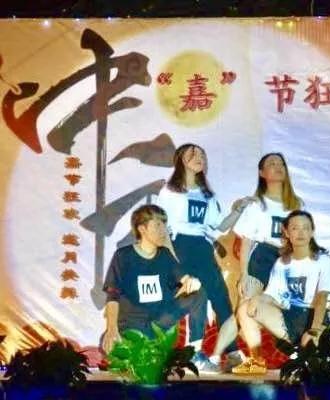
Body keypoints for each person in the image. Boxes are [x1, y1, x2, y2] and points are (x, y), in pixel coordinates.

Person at [156, 143, 254, 373]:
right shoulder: (169, 192)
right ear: (181, 160)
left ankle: (233, 353)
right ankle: (191, 353)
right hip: (178, 246)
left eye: (202, 155)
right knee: (193, 297)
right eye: (193, 154)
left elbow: (219, 227)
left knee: (221, 298)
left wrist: (238, 210)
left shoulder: (207, 195)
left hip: (202, 247)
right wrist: (169, 256)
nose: (199, 158)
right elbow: (161, 228)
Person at [232, 210, 330, 375]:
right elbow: (273, 296)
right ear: (287, 233)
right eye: (295, 228)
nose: (300, 233)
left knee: (317, 370)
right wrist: (259, 299)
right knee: (245, 309)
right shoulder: (282, 262)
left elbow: (323, 299)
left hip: (316, 319)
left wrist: (315, 331)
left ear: (312, 232)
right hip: (292, 317)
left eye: (305, 228)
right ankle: (256, 360)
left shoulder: (323, 260)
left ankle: (316, 355)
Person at [101, 204, 204, 354]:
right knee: (115, 349)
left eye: (165, 226)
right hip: (132, 325)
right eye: (158, 226)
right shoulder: (123, 256)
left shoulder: (165, 255)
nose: (164, 231)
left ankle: (196, 352)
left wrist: (193, 282)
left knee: (199, 293)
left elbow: (185, 280)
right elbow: (112, 296)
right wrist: (111, 330)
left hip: (159, 323)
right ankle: (142, 345)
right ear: (142, 229)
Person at [234, 152, 303, 300]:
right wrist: (244, 274)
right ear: (262, 173)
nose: (278, 167)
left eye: (281, 164)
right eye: (272, 163)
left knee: (284, 306)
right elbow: (247, 241)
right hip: (262, 257)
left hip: (288, 258)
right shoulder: (256, 204)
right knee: (248, 303)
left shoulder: (297, 205)